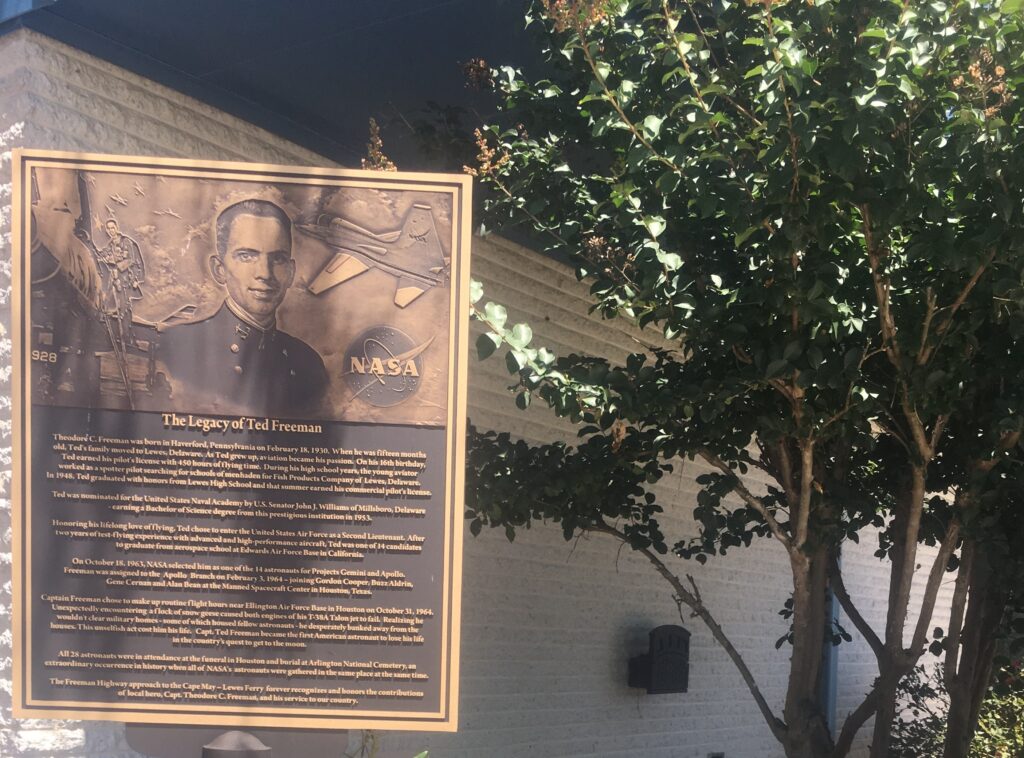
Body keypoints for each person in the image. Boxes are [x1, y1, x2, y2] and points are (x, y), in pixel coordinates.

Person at [159, 199, 328, 417]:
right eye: (247, 256)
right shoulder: (176, 346)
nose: (265, 274)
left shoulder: (308, 364)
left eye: (277, 258)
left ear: (291, 272)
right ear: (219, 269)